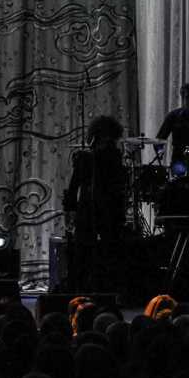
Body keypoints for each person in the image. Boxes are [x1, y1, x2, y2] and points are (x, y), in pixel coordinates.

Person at [63, 116, 128, 290]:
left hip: (99, 211)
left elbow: (73, 188)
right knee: (100, 254)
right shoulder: (108, 158)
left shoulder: (93, 158)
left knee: (87, 255)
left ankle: (84, 287)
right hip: (103, 212)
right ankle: (99, 287)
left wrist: (70, 209)